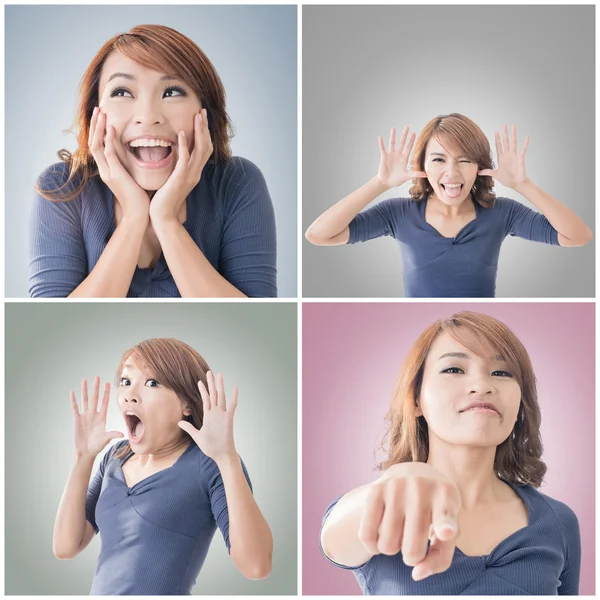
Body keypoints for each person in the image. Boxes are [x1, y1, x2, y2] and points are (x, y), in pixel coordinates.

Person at [320, 311, 580, 595]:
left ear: (520, 402)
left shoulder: (559, 522)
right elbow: (334, 539)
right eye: (454, 369)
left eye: (502, 372)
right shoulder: (383, 501)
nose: (482, 386)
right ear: (416, 399)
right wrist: (396, 481)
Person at [30, 25, 277, 298]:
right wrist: (135, 217)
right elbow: (59, 322)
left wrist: (166, 220)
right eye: (122, 92)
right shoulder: (62, 187)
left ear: (204, 112)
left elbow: (251, 318)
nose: (148, 116)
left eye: (172, 92)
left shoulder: (237, 182)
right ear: (95, 113)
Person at [53, 338, 273, 595]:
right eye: (126, 381)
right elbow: (66, 547)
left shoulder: (209, 464)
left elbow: (257, 566)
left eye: (152, 383)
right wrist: (83, 457)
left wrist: (227, 458)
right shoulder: (115, 456)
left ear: (187, 405)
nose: (130, 396)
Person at [305, 114, 592, 297]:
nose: (452, 174)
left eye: (465, 160)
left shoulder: (502, 213)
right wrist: (378, 184)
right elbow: (319, 235)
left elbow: (578, 236)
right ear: (423, 166)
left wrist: (523, 185)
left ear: (480, 167)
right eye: (439, 159)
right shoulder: (398, 213)